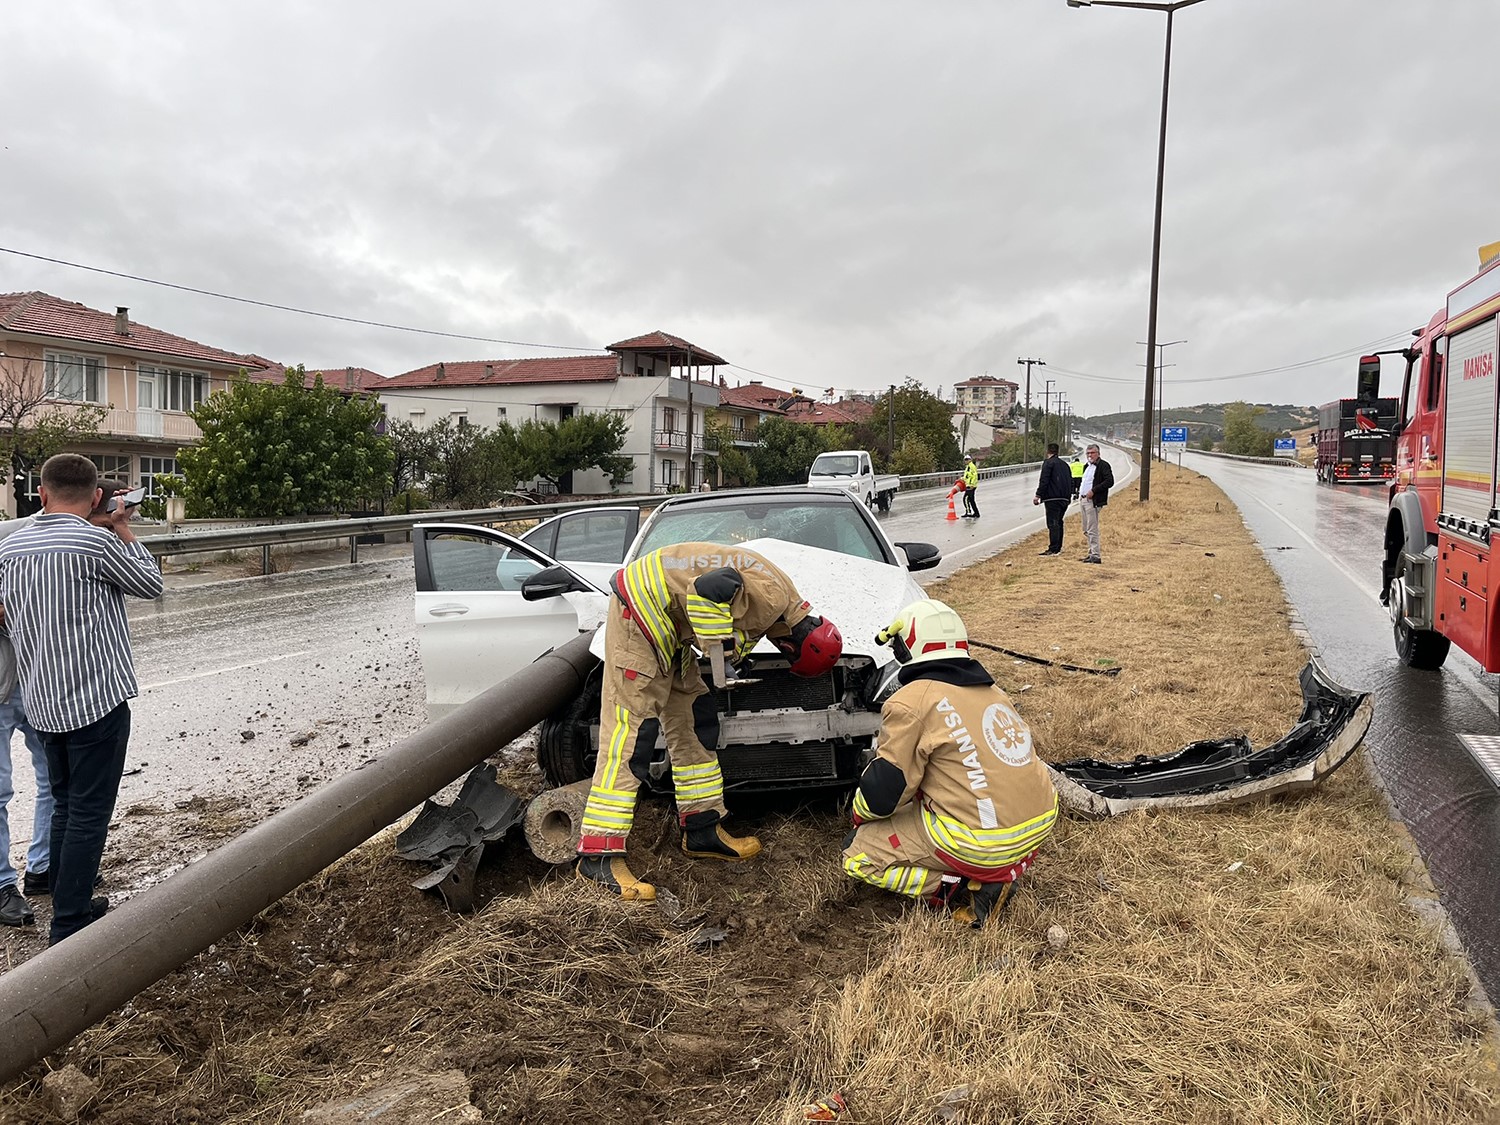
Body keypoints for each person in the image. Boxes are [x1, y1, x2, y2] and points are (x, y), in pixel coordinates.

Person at [576, 541, 843, 900]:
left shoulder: (780, 602)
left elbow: (730, 609)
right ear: (795, 647)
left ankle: (702, 829)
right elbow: (708, 590)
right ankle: (599, 855)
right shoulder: (773, 598)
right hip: (640, 615)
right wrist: (720, 649)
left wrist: (733, 652)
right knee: (632, 733)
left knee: (695, 719)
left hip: (667, 625)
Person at [0, 459, 162, 945]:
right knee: (89, 811)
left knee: (68, 805)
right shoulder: (97, 541)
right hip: (95, 700)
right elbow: (151, 585)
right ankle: (70, 924)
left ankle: (71, 897)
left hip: (43, 701)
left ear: (42, 495)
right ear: (96, 499)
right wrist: (124, 528)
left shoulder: (11, 545)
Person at [841, 599, 1057, 928]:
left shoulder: (911, 701)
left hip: (981, 841)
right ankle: (991, 873)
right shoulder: (993, 692)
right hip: (1038, 824)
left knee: (857, 856)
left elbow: (885, 793)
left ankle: (952, 889)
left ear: (906, 649)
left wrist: (859, 817)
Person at [0, 514, 48, 928]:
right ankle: (0, 886)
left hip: (36, 679)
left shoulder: (27, 533)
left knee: (55, 777)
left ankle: (43, 868)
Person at [1032, 443, 1071, 556]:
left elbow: (1044, 480)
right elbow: (1070, 481)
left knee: (1053, 523)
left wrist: (1038, 495)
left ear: (1047, 451)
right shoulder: (1065, 465)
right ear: (1058, 452)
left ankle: (1053, 548)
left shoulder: (1048, 463)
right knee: (1059, 522)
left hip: (1052, 498)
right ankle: (1058, 547)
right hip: (1064, 498)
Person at [1079, 444, 1115, 564]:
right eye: (1088, 453)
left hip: (1093, 501)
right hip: (1083, 500)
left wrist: (1094, 491)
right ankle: (1091, 553)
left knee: (1092, 529)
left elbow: (1109, 481)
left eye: (1092, 453)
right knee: (1086, 529)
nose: (1090, 455)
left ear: (1098, 453)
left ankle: (1096, 555)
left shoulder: (1103, 466)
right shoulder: (1086, 467)